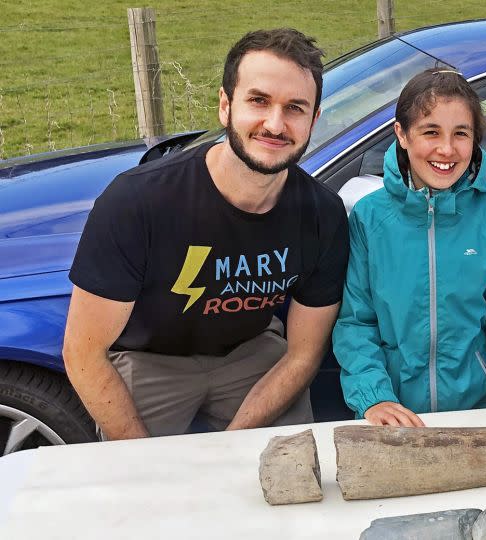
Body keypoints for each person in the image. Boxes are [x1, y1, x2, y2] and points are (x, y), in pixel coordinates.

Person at [62, 28, 349, 440]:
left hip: (251, 350)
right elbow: (83, 353)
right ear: (224, 105)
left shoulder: (323, 213)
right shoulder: (138, 200)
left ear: (314, 120)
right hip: (150, 358)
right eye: (258, 101)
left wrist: (230, 448)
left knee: (289, 474)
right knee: (139, 490)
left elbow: (304, 355)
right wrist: (142, 458)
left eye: (295, 108)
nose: (275, 123)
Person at [334, 68, 486, 427]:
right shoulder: (369, 219)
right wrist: (373, 397)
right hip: (391, 418)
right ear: (402, 134)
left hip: (476, 416)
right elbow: (355, 323)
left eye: (461, 134)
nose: (446, 149)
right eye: (431, 132)